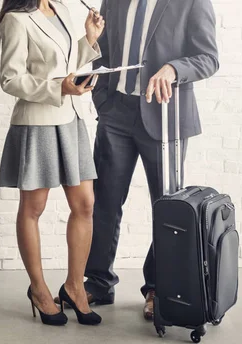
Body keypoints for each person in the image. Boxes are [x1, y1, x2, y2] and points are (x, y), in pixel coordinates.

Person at [79, 0, 219, 321]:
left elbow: (208, 58)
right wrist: (102, 100)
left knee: (167, 208)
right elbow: (104, 48)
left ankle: (159, 286)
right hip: (115, 113)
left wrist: (173, 69)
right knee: (105, 202)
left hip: (165, 116)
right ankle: (99, 281)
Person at [0, 0, 104, 327]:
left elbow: (66, 64)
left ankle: (75, 286)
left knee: (85, 204)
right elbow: (10, 79)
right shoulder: (16, 19)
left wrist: (88, 40)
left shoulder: (62, 10)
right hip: (38, 121)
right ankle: (39, 289)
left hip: (72, 119)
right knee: (34, 207)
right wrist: (59, 87)